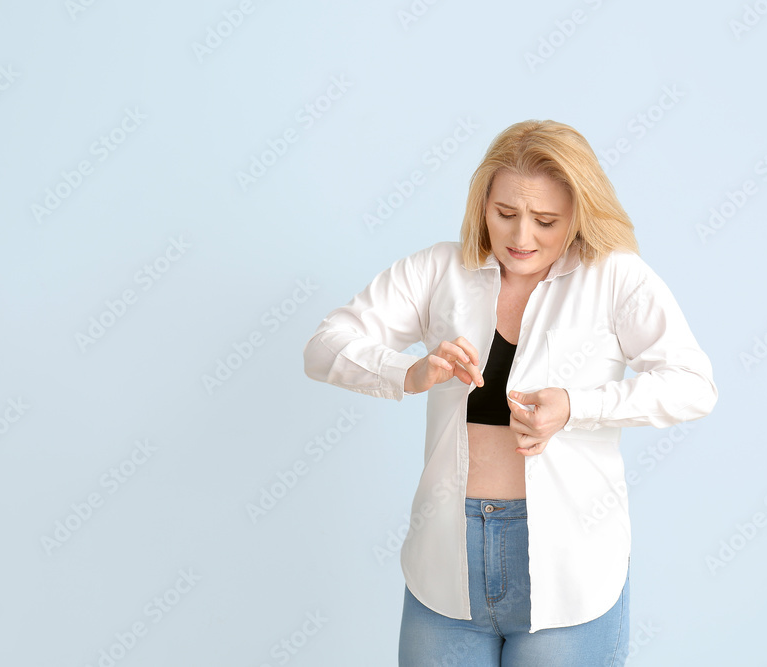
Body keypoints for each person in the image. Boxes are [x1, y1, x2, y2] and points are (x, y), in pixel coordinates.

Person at [302, 119, 717, 666]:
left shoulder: (615, 278)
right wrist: (408, 372)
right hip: (446, 560)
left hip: (569, 566)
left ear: (578, 214)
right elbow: (324, 346)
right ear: (483, 205)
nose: (521, 238)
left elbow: (693, 385)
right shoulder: (440, 270)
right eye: (504, 214)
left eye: (545, 221)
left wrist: (576, 406)